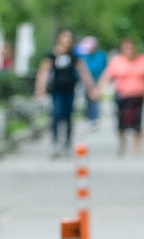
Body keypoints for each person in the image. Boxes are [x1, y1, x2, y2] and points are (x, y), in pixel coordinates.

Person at [97, 38, 144, 157]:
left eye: (131, 48)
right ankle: (122, 144)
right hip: (122, 95)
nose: (129, 51)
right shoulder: (117, 61)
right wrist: (99, 89)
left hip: (138, 95)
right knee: (121, 122)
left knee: (137, 122)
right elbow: (107, 76)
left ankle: (137, 147)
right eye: (126, 48)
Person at [34, 29, 82, 157]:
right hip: (56, 90)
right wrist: (40, 90)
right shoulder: (52, 55)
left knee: (68, 116)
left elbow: (83, 72)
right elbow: (44, 72)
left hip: (70, 90)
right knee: (56, 115)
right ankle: (55, 143)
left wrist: (91, 89)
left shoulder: (73, 56)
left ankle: (67, 143)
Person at [78, 36, 107, 130]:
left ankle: (94, 117)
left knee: (95, 99)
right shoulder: (83, 56)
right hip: (86, 81)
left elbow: (104, 68)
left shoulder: (101, 55)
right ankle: (88, 116)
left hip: (98, 80)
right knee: (87, 99)